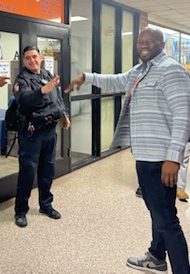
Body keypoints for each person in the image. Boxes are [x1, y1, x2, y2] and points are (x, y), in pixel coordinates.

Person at [65, 28, 190, 274]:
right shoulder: (139, 71)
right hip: (145, 156)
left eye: (149, 41)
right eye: (140, 42)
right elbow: (116, 80)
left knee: (166, 220)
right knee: (160, 212)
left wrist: (173, 158)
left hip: (160, 160)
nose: (143, 45)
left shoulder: (171, 70)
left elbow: (183, 115)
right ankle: (156, 256)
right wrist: (85, 76)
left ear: (162, 44)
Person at [13, 45, 70, 227]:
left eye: (35, 57)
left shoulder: (47, 75)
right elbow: (24, 100)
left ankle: (46, 205)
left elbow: (57, 99)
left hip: (49, 132)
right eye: (28, 58)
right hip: (31, 133)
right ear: (24, 61)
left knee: (48, 171)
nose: (32, 60)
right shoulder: (22, 80)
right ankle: (21, 211)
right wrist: (43, 90)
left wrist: (64, 115)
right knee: (28, 173)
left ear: (41, 58)